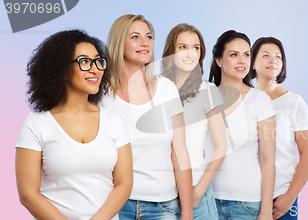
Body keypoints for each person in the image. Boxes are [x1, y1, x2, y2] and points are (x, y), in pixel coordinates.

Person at [15, 29, 133, 220]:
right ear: (61, 70)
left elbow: (124, 183)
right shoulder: (36, 124)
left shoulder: (114, 121)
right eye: (84, 61)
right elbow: (28, 195)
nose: (95, 69)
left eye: (97, 61)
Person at [101, 14, 193, 220]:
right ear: (118, 43)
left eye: (149, 37)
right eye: (135, 37)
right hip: (114, 205)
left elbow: (179, 154)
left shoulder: (167, 89)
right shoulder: (101, 94)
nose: (145, 43)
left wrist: (187, 211)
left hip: (163, 207)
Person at [207, 30, 276, 220]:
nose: (242, 61)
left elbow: (268, 159)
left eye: (246, 55)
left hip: (247, 205)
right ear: (219, 60)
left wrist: (266, 212)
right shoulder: (204, 96)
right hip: (206, 201)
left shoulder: (260, 100)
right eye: (234, 55)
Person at [161, 23, 227, 220]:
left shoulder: (207, 91)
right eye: (183, 47)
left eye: (195, 48)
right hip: (162, 192)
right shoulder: (157, 88)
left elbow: (221, 148)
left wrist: (198, 191)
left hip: (195, 189)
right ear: (170, 51)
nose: (190, 54)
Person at [249, 37, 308, 220]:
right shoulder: (244, 101)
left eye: (278, 56)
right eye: (266, 55)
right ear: (252, 63)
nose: (273, 60)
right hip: (245, 199)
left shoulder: (294, 103)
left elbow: (307, 154)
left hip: (281, 200)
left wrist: (290, 197)